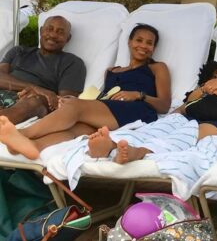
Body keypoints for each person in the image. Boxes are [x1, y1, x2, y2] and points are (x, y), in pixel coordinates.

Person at [85, 32, 217, 164]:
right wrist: (211, 86)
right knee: (160, 128)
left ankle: (137, 153)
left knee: (186, 135)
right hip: (190, 112)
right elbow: (189, 101)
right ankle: (111, 145)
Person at [0, 23, 170, 160]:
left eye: (150, 43)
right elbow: (104, 98)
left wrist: (139, 95)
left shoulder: (157, 68)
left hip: (137, 110)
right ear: (129, 42)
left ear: (154, 48)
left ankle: (22, 135)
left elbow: (164, 105)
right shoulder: (111, 70)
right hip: (110, 110)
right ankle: (34, 146)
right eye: (139, 40)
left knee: (75, 107)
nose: (144, 46)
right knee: (76, 129)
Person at [0, 15, 86, 124]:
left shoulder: (72, 63)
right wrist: (34, 87)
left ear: (68, 38)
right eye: (49, 29)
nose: (53, 35)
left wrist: (38, 93)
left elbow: (64, 102)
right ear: (41, 31)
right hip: (5, 92)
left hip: (31, 102)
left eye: (60, 32)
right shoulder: (19, 51)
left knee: (34, 103)